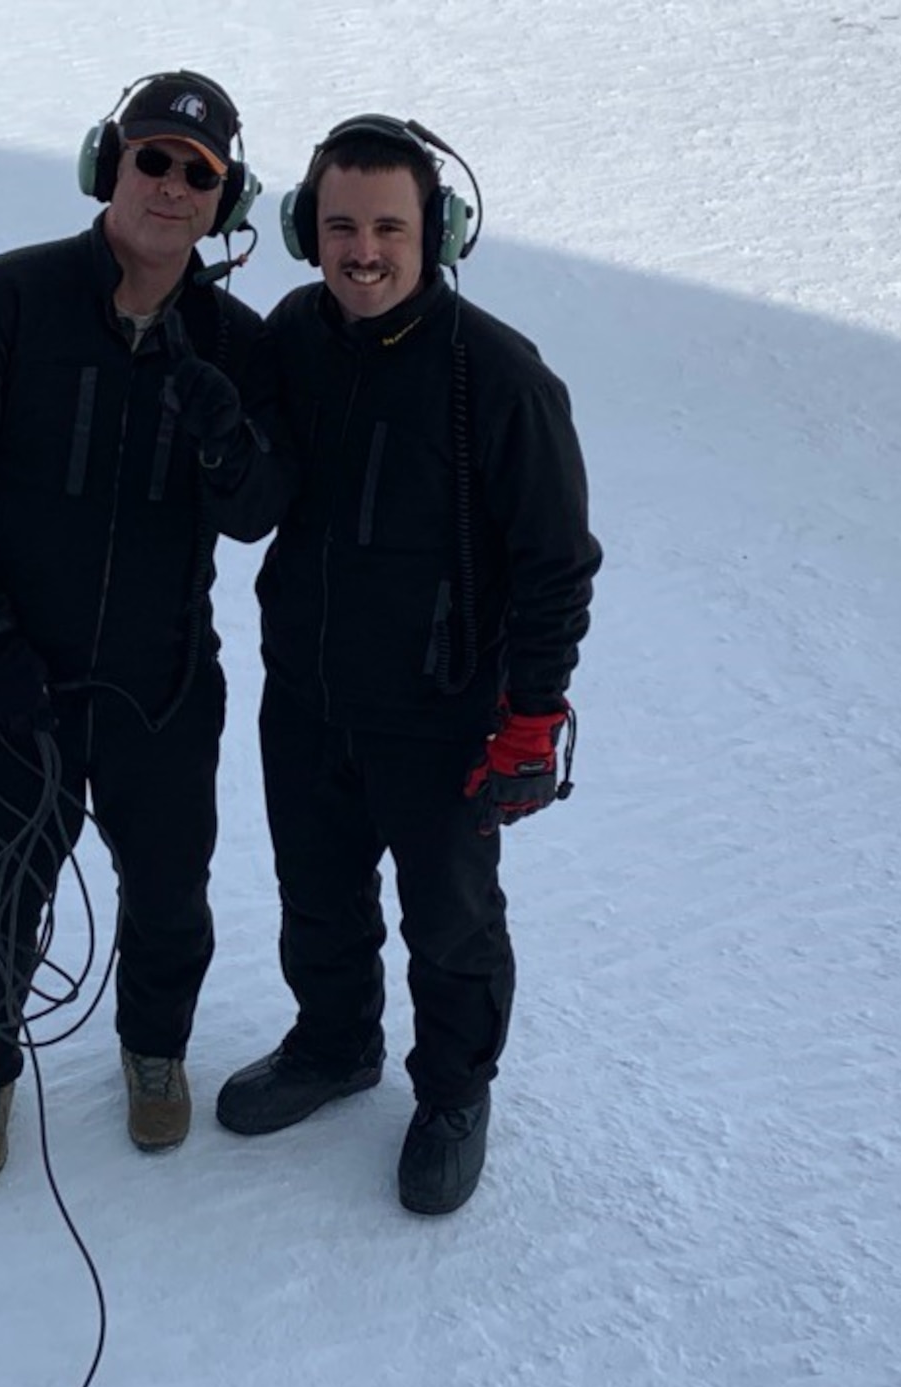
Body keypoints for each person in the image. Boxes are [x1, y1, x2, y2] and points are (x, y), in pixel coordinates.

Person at [214, 115, 602, 1215]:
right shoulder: (293, 333)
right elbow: (259, 505)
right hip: (307, 695)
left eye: (388, 225)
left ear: (439, 233)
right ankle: (335, 1045)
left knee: (449, 920)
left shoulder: (501, 379)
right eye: (339, 225)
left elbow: (554, 565)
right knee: (316, 896)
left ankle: (452, 1094)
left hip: (441, 716)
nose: (363, 250)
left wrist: (531, 718)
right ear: (306, 231)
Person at [0, 71, 276, 1182]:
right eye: (151, 159)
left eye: (197, 174)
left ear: (224, 199)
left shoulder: (234, 345)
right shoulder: (1, 301)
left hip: (160, 685)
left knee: (169, 894)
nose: (169, 186)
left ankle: (154, 1054)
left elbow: (256, 514)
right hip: (13, 678)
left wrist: (223, 438)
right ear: (107, 164)